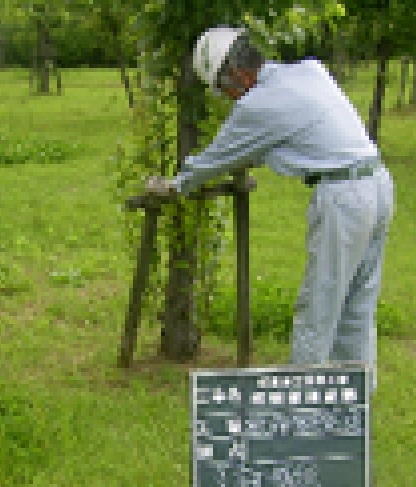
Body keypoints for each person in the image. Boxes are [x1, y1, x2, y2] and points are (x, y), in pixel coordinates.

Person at [145, 26, 394, 395]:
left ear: (236, 72)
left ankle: (300, 406)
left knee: (319, 306)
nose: (228, 98)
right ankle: (356, 401)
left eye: (223, 88)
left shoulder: (258, 105)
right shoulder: (308, 71)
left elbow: (218, 158)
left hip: (344, 198)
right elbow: (293, 137)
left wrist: (176, 184)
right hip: (378, 183)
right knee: (358, 303)